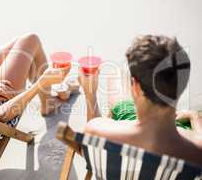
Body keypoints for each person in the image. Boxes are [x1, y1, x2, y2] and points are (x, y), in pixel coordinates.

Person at [79, 35, 202, 165]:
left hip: (128, 127)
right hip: (176, 138)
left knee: (118, 73)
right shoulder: (197, 151)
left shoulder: (97, 130)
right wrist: (194, 118)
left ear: (136, 88)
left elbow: (89, 158)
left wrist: (90, 95)